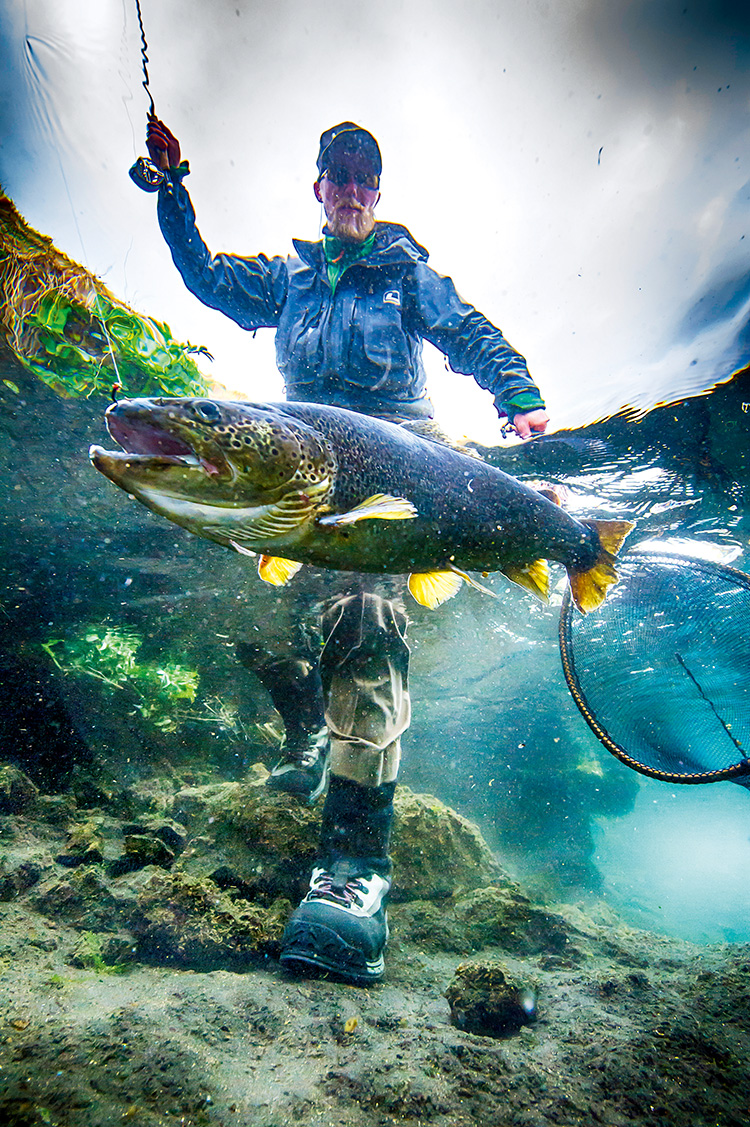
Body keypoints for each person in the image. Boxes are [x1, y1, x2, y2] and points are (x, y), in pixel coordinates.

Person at [144, 118, 549, 984]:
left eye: (368, 177)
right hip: (293, 470)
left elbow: (467, 328)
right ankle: (308, 739)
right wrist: (174, 191)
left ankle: (357, 864)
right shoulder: (287, 278)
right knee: (235, 614)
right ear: (319, 186)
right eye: (341, 175)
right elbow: (208, 279)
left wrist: (516, 391)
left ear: (378, 192)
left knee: (363, 613)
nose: (354, 189)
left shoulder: (406, 272)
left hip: (398, 482)